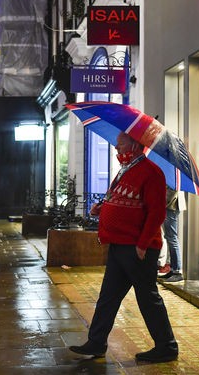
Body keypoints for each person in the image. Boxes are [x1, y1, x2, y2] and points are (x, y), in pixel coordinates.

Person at [69, 132, 179, 363]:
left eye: (121, 145)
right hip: (120, 246)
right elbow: (118, 199)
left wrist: (143, 243)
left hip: (138, 249)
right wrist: (102, 208)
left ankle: (167, 346)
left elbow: (156, 212)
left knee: (147, 297)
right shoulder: (125, 169)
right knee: (108, 296)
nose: (117, 149)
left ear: (136, 144)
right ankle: (97, 342)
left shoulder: (151, 172)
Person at [159, 186, 184, 283]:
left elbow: (171, 192)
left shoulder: (173, 175)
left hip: (171, 206)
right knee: (169, 238)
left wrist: (161, 202)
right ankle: (173, 269)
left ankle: (177, 271)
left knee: (172, 238)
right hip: (170, 206)